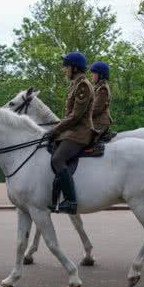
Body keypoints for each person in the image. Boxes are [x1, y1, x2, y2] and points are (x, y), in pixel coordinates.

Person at [45, 52, 96, 215]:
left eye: (66, 67)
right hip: (71, 130)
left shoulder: (83, 86)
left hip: (80, 132)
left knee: (58, 158)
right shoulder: (75, 84)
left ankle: (71, 201)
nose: (65, 70)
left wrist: (56, 130)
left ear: (74, 68)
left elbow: (76, 116)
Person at [89, 61, 114, 140]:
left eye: (93, 73)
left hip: (99, 123)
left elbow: (96, 109)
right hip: (95, 121)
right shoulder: (97, 87)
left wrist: (82, 116)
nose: (91, 76)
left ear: (101, 75)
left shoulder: (102, 89)